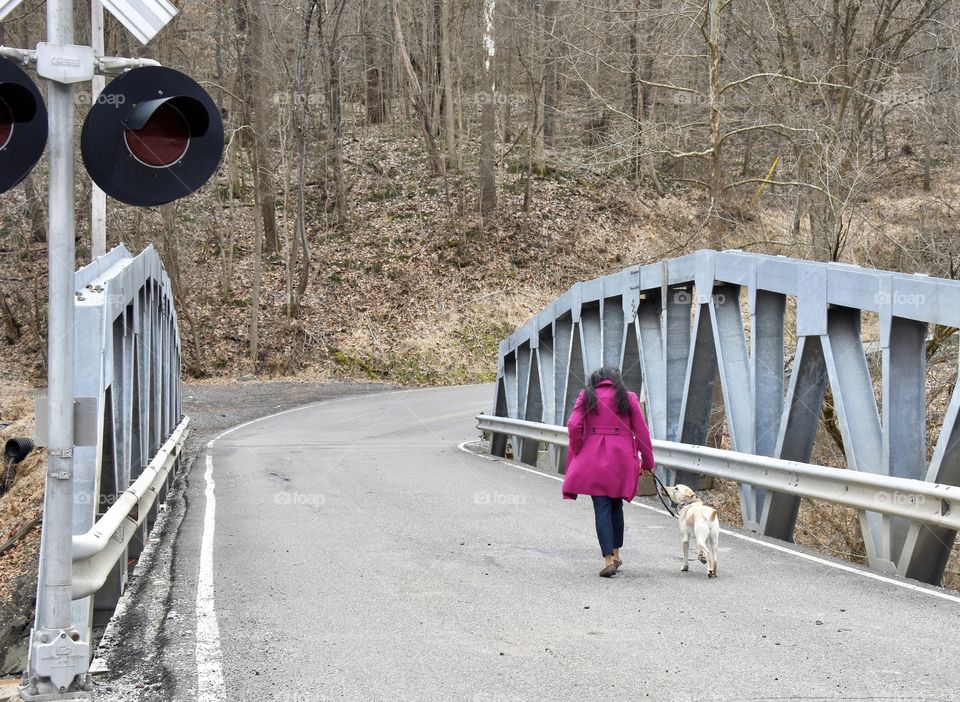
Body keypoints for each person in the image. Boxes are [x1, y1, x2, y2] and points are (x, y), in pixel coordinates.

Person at [561, 366, 656, 577]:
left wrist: (578, 449)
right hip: (621, 460)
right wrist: (648, 461)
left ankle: (608, 559)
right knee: (616, 505)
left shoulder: (587, 396)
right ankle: (616, 553)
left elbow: (573, 424)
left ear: (595, 381)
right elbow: (642, 433)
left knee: (601, 505)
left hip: (593, 459)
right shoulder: (628, 398)